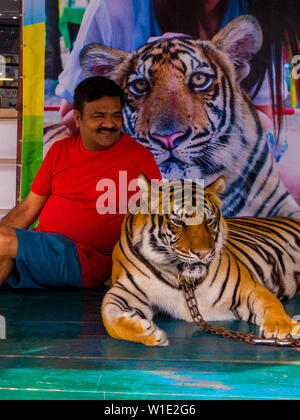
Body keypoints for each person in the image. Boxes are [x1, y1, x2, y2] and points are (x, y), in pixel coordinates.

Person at [0, 76, 162, 289]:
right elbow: (29, 207)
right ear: (77, 118)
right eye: (99, 116)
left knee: (3, 242)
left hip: (84, 261)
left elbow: (160, 217)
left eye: (115, 116)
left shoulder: (140, 158)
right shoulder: (60, 150)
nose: (110, 124)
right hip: (42, 248)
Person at [55, 0, 297, 141]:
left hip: (222, 178)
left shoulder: (262, 11)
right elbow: (70, 117)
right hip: (129, 179)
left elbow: (264, 120)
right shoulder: (115, 7)